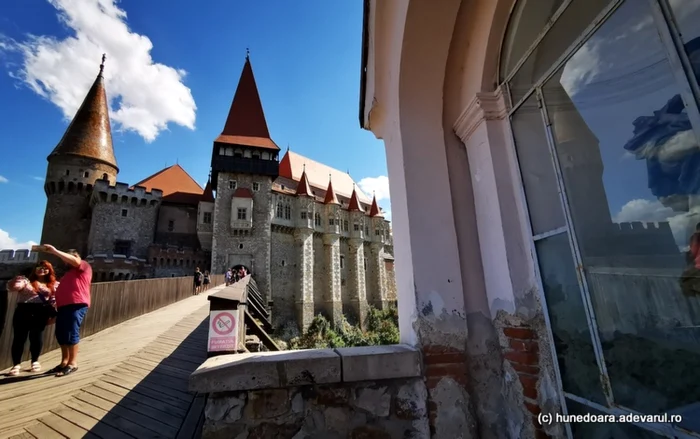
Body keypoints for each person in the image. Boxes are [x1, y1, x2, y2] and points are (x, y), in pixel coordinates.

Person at [41, 245, 92, 377]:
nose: (69, 259)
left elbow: (75, 261)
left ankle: (72, 363)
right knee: (61, 334)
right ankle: (64, 362)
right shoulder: (68, 275)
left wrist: (54, 251)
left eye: (74, 256)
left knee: (71, 332)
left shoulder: (84, 266)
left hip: (77, 304)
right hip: (63, 307)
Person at [5, 260, 59, 376]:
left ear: (49, 271)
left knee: (36, 337)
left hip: (41, 312)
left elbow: (54, 299)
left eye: (45, 268)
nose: (42, 269)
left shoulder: (53, 284)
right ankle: (16, 364)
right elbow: (13, 287)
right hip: (23, 310)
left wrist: (53, 315)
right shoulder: (26, 281)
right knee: (19, 338)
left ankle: (35, 361)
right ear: (34, 269)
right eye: (39, 267)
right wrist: (15, 281)